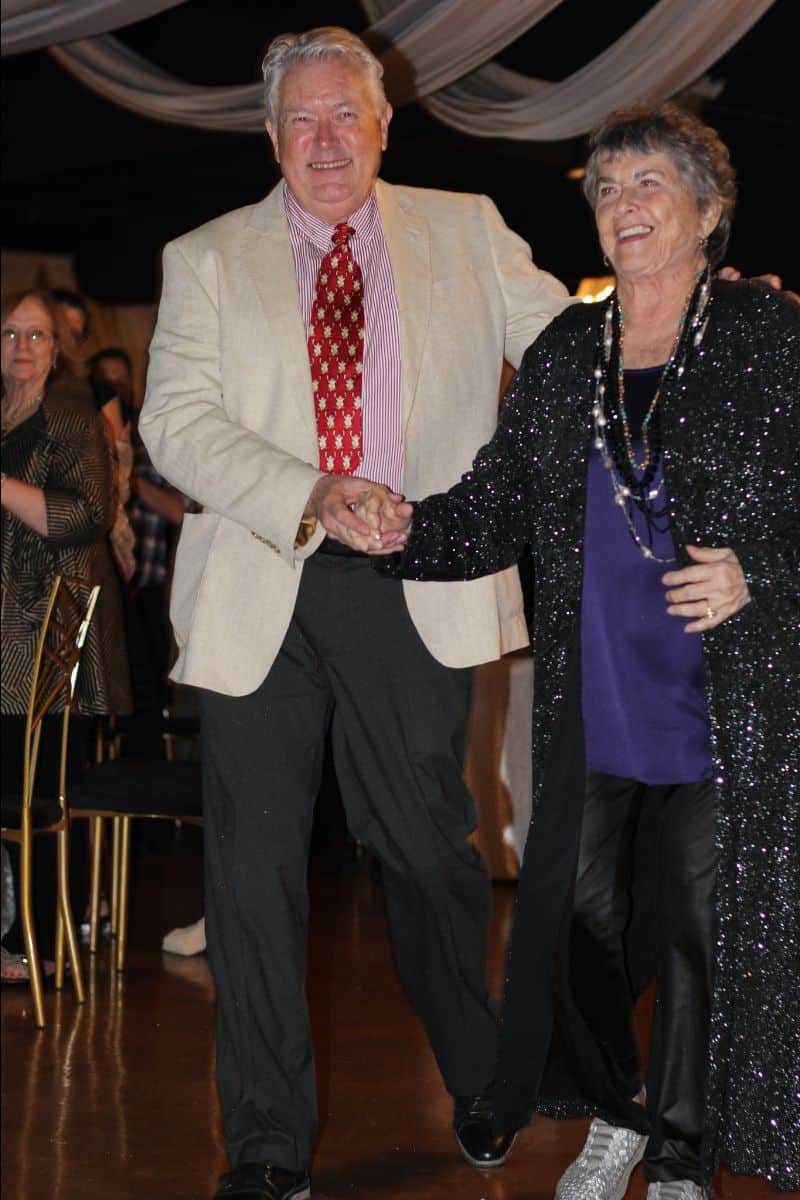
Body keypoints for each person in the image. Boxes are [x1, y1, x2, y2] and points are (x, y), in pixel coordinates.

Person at [139, 25, 570, 1200]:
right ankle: (268, 1146)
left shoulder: (466, 228)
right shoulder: (206, 257)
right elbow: (171, 421)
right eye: (301, 120)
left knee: (430, 855)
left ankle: (479, 1070)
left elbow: (565, 353)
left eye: (345, 115)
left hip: (412, 584)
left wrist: (684, 320)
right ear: (271, 138)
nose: (325, 139)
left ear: (385, 122)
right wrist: (311, 492)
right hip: (261, 580)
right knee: (252, 875)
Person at [361, 103, 799, 1198]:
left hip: (724, 694)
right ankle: (619, 1114)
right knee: (583, 917)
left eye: (647, 182)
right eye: (604, 189)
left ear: (708, 209)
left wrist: (762, 573)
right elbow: (500, 495)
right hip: (598, 687)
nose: (621, 205)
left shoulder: (763, 336)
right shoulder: (566, 350)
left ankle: (685, 1154)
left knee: (699, 920)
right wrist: (410, 528)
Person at [1, 288, 131, 979]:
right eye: (10, 333)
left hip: (51, 626)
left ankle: (39, 941)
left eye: (37, 336)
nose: (22, 349)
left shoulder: (73, 412)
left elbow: (85, 515)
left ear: (60, 347)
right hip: (5, 627)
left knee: (37, 794)